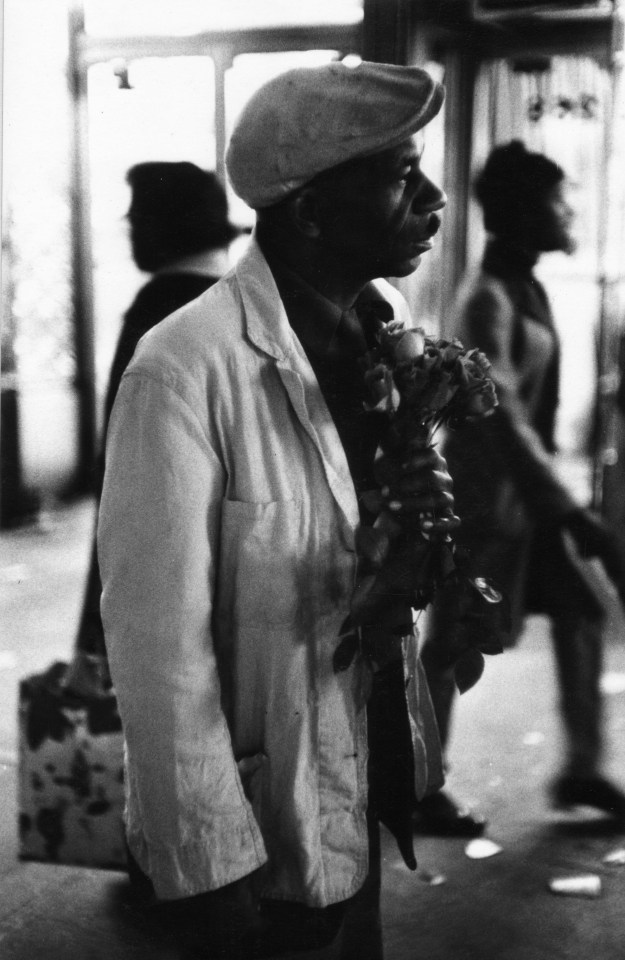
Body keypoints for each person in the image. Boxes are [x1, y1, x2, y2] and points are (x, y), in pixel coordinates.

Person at [98, 61, 456, 959]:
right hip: (259, 803)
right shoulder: (183, 369)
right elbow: (156, 652)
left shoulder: (385, 325)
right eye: (400, 176)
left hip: (361, 749)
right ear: (309, 209)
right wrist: (208, 862)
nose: (434, 198)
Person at [419, 140, 625, 834]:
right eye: (557, 201)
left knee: (583, 609)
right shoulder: (486, 299)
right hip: (481, 503)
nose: (568, 212)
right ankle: (418, 785)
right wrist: (569, 510)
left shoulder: (520, 284)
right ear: (519, 214)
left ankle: (582, 769)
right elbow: (502, 415)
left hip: (523, 506)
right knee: (449, 642)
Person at [69, 162, 239, 679]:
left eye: (138, 216)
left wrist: (92, 632)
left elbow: (119, 477)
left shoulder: (158, 310)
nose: (130, 229)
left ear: (166, 225)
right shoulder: (245, 302)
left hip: (163, 571)